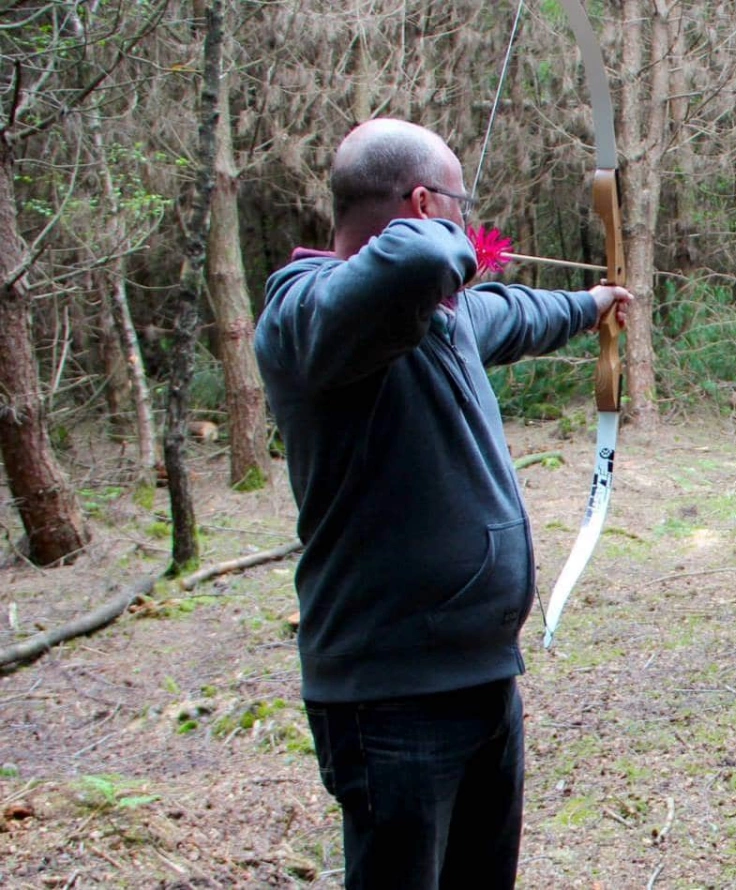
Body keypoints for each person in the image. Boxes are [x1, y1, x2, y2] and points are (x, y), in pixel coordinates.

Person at [253, 118, 632, 889]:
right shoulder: (304, 314)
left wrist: (594, 301)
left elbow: (518, 313)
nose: (467, 226)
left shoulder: (444, 318)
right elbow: (423, 254)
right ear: (423, 204)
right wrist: (439, 232)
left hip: (482, 679)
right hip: (389, 696)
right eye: (460, 206)